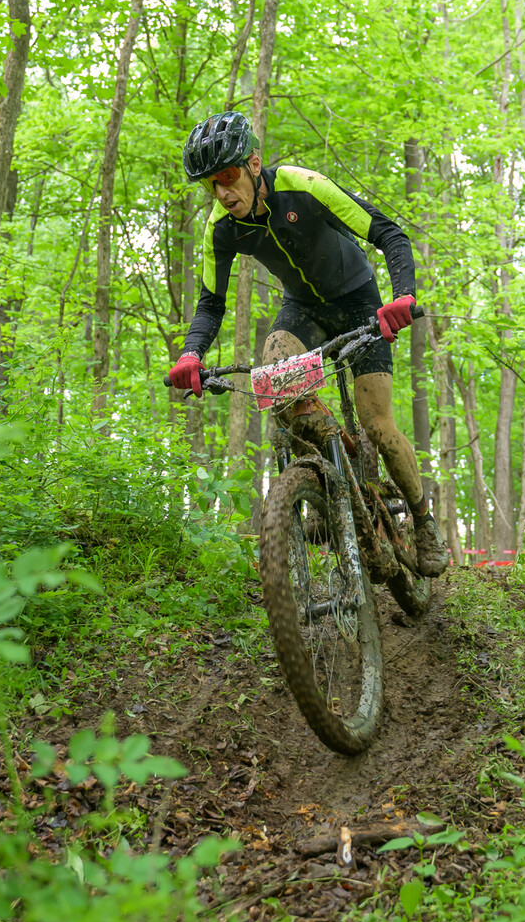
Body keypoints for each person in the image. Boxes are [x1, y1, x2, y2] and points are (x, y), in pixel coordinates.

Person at [167, 110, 450, 577]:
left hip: (359, 301)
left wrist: (403, 297)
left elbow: (388, 234)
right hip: (302, 309)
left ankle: (423, 520)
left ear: (254, 164)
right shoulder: (221, 227)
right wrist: (191, 353)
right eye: (211, 185)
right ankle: (323, 475)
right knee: (275, 370)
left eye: (228, 176)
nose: (221, 192)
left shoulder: (304, 185)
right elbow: (210, 302)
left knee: (377, 424)